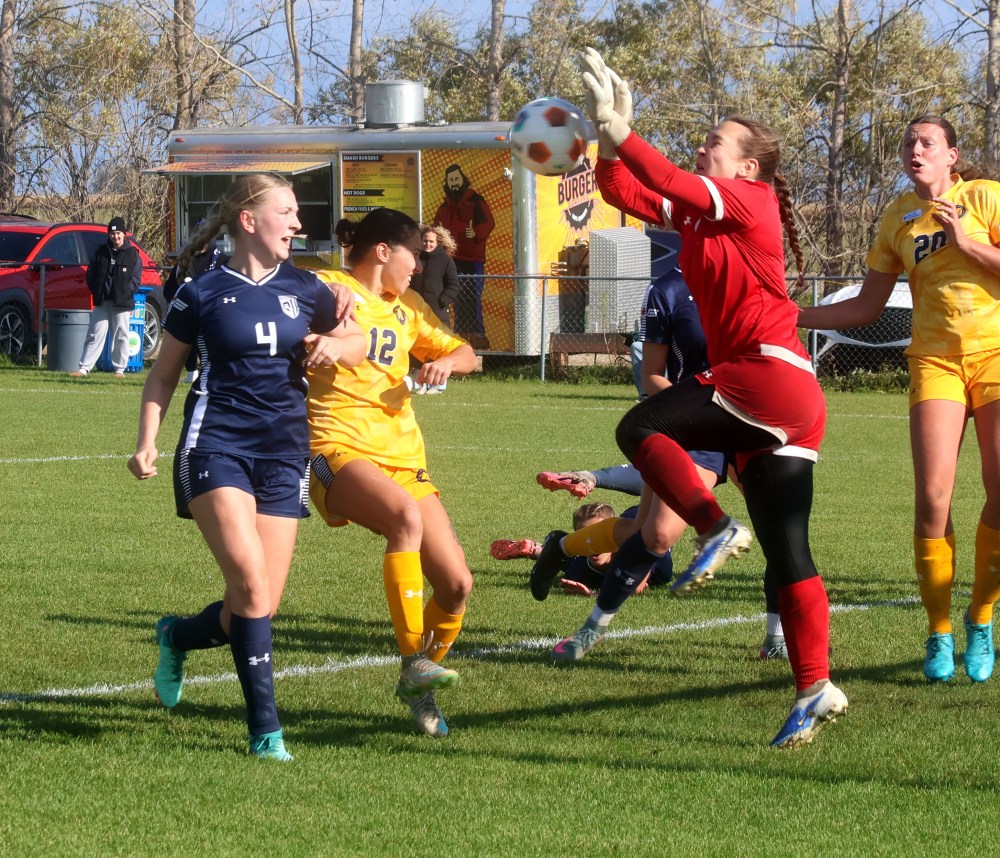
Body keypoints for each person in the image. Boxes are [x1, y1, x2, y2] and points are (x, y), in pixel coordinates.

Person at [570, 47, 846, 747]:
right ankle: (814, 687)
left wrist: (624, 131)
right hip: (786, 398)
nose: (703, 146)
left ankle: (715, 527)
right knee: (789, 555)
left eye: (715, 141)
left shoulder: (748, 199)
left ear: (750, 167)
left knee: (640, 429)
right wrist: (609, 142)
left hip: (764, 376)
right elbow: (626, 193)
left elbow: (658, 172)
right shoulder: (701, 213)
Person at [127, 174, 365, 762]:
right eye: (287, 211)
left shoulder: (310, 288)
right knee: (252, 587)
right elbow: (162, 375)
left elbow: (358, 338)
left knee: (255, 605)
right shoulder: (200, 292)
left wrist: (340, 344)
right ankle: (266, 733)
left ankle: (177, 635)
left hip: (285, 454)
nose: (298, 223)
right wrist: (147, 442)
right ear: (249, 220)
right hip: (215, 448)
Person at [799, 115, 1000, 684]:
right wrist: (793, 315)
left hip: (996, 355)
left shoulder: (985, 199)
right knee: (934, 497)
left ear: (952, 155)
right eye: (909, 142)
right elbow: (864, 308)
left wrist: (965, 241)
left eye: (927, 142)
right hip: (934, 361)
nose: (916, 149)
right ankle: (939, 630)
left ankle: (980, 618)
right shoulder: (896, 219)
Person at [308, 208, 478, 738]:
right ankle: (413, 660)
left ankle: (417, 685)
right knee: (404, 519)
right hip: (336, 448)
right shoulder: (325, 286)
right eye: (415, 256)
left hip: (404, 459)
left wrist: (447, 363)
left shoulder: (410, 307)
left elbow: (469, 353)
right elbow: (277, 293)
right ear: (383, 251)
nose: (419, 267)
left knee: (456, 585)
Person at [491, 501, 674, 596]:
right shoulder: (578, 571)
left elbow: (635, 588)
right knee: (571, 559)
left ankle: (539, 551)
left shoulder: (634, 547)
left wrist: (592, 595)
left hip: (643, 518)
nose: (593, 542)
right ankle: (540, 551)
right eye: (586, 537)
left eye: (599, 535)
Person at [69, 217, 142, 378]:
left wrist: (127, 291)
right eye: (112, 233)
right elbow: (91, 273)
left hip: (122, 303)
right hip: (102, 301)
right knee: (94, 334)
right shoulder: (101, 251)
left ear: (124, 234)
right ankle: (84, 368)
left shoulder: (132, 254)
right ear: (109, 235)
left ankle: (119, 370)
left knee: (121, 335)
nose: (115, 237)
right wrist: (96, 290)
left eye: (118, 233)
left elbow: (136, 279)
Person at [434, 163, 495, 349]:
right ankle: (461, 334)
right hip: (452, 259)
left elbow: (489, 222)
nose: (454, 183)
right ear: (447, 182)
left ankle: (478, 335)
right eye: (451, 180)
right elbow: (436, 227)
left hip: (473, 260)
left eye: (456, 179)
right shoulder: (445, 206)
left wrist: (476, 232)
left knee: (474, 297)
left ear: (463, 180)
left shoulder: (476, 201)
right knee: (457, 297)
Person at [162, 238, 230, 383]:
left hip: (212, 315)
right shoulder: (185, 261)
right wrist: (177, 299)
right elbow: (170, 288)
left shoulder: (223, 260)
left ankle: (211, 372)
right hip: (188, 314)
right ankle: (192, 370)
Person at [410, 224, 461, 393]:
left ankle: (438, 385)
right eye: (425, 241)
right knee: (417, 346)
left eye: (431, 241)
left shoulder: (445, 260)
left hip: (438, 313)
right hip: (415, 312)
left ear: (437, 242)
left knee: (437, 347)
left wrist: (441, 302)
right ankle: (419, 382)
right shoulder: (414, 258)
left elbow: (453, 285)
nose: (427, 244)